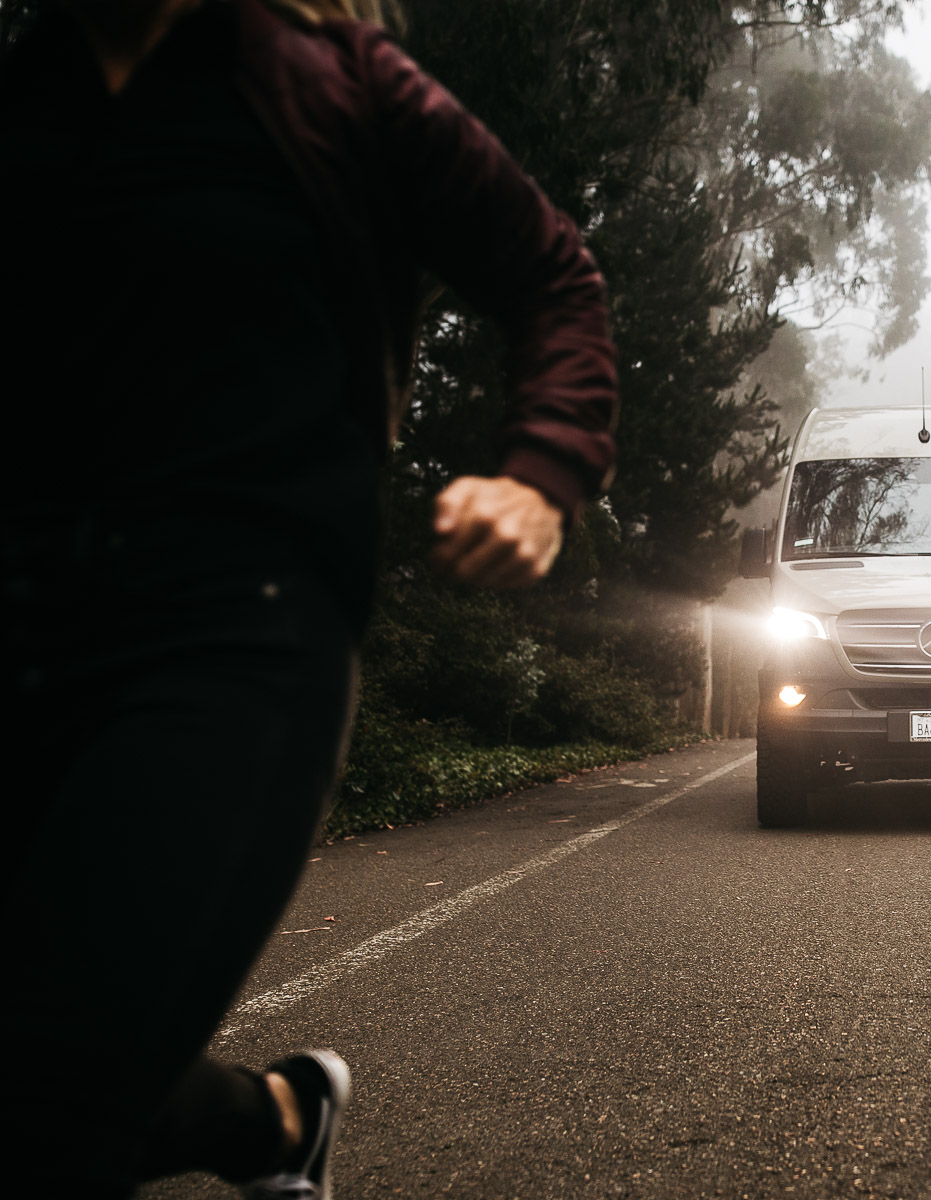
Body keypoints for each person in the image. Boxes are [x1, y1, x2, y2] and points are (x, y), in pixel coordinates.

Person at [0, 0, 618, 1195]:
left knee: (47, 1092)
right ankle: (279, 1122)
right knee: (55, 1049)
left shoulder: (326, 79)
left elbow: (553, 275)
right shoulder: (30, 96)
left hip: (238, 627)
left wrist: (541, 474)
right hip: (28, 621)